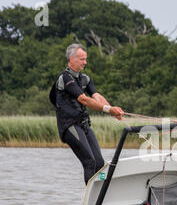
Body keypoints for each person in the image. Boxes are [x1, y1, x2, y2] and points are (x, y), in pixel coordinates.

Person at [51, 43, 124, 185]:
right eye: (82, 59)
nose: (85, 62)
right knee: (89, 162)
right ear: (71, 59)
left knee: (100, 163)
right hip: (69, 126)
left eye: (85, 59)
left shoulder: (85, 78)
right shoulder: (65, 78)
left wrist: (112, 110)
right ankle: (91, 202)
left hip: (83, 124)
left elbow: (96, 96)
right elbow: (84, 99)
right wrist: (109, 110)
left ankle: (100, 197)